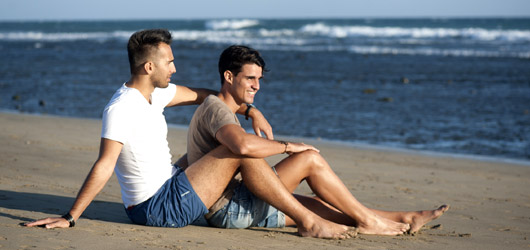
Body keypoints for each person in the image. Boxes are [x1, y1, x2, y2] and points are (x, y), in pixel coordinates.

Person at [24, 29, 357, 239]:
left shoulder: (157, 94)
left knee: (225, 150)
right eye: (168, 62)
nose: (174, 68)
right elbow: (104, 164)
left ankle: (348, 216)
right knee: (236, 148)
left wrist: (252, 109)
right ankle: (307, 221)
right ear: (148, 67)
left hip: (172, 185)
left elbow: (211, 96)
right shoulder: (121, 108)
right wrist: (70, 217)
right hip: (157, 208)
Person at [186, 45, 449, 235]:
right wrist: (289, 147)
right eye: (250, 78)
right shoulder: (216, 110)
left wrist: (252, 111)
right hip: (228, 209)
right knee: (309, 159)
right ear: (229, 77)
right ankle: (371, 221)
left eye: (259, 79)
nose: (257, 86)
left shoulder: (217, 107)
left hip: (230, 206)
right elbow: (241, 145)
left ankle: (404, 218)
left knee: (316, 205)